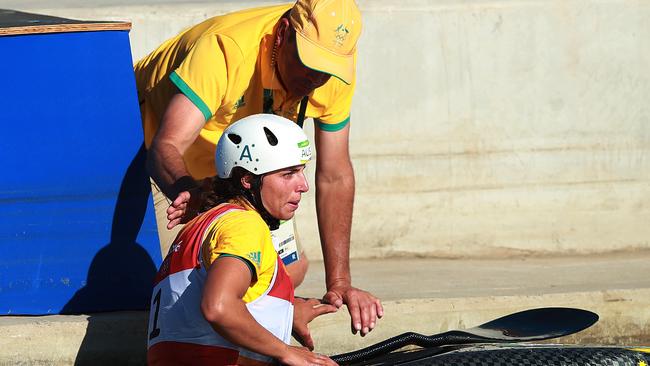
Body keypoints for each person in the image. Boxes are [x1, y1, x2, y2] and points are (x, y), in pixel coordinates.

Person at [135, 0, 383, 336]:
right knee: (185, 282)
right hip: (158, 154)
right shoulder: (226, 49)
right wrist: (192, 197)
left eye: (325, 70)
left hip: (242, 167)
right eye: (308, 63)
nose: (314, 78)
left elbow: (335, 174)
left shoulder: (332, 73)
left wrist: (340, 284)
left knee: (287, 269)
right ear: (283, 34)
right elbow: (167, 145)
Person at [147, 114, 337, 365]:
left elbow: (196, 317)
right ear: (247, 179)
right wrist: (285, 350)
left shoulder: (200, 225)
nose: (303, 185)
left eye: (302, 172)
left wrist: (284, 313)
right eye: (288, 174)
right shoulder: (244, 225)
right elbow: (219, 307)